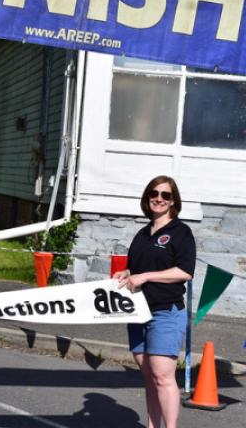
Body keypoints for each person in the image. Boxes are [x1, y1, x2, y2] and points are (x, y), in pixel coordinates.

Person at [114, 175, 195, 428]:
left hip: (165, 312)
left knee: (162, 375)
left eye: (165, 195)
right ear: (147, 197)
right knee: (149, 376)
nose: (159, 199)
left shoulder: (180, 232)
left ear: (173, 201)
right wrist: (126, 273)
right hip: (138, 312)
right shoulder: (142, 233)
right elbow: (135, 268)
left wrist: (146, 276)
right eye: (154, 194)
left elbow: (185, 271)